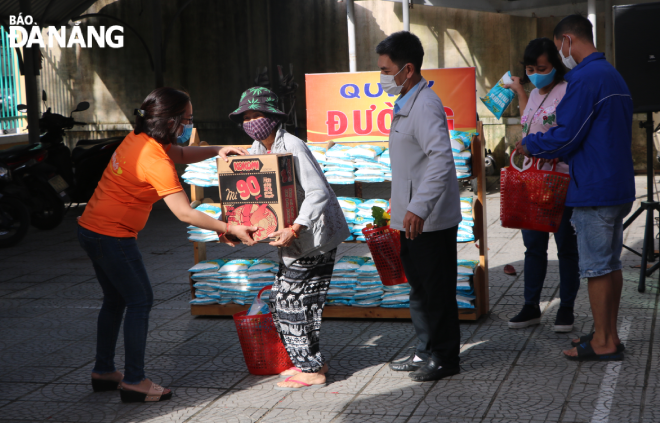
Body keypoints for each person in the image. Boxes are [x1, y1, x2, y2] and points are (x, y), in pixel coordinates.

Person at [78, 87, 257, 403]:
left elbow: (184, 154)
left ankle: (104, 372)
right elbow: (184, 212)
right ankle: (134, 381)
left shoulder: (141, 139)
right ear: (171, 120)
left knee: (116, 300)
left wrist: (219, 150)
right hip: (113, 235)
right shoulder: (153, 159)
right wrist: (228, 226)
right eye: (187, 119)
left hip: (92, 229)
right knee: (139, 300)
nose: (189, 125)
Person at [516, 15, 635, 361]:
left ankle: (603, 343)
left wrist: (531, 144)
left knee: (596, 267)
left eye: (557, 47)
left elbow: (567, 135)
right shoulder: (612, 74)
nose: (559, 55)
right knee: (610, 264)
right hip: (616, 184)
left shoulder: (584, 78)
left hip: (594, 187)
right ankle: (606, 333)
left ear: (567, 41)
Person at [228, 87, 350, 390]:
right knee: (286, 301)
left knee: (294, 303)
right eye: (246, 116)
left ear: (272, 117)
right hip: (289, 240)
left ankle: (311, 369)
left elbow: (319, 192)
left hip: (312, 237)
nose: (251, 121)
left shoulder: (293, 145)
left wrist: (295, 227)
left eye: (256, 115)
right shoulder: (257, 149)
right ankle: (310, 362)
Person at [376, 31, 462, 381]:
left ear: (407, 69)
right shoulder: (406, 103)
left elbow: (441, 159)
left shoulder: (425, 105)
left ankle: (445, 358)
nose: (381, 77)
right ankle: (425, 350)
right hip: (410, 219)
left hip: (429, 220)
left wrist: (419, 207)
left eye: (385, 70)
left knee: (437, 290)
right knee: (420, 288)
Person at [504, 38, 580, 332]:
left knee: (566, 247)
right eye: (531, 68)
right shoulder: (535, 93)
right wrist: (521, 91)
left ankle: (567, 309)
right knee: (533, 247)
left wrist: (535, 146)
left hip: (560, 181)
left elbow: (568, 135)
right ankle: (530, 306)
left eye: (542, 67)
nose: (536, 72)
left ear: (555, 67)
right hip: (531, 181)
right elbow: (529, 121)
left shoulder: (567, 92)